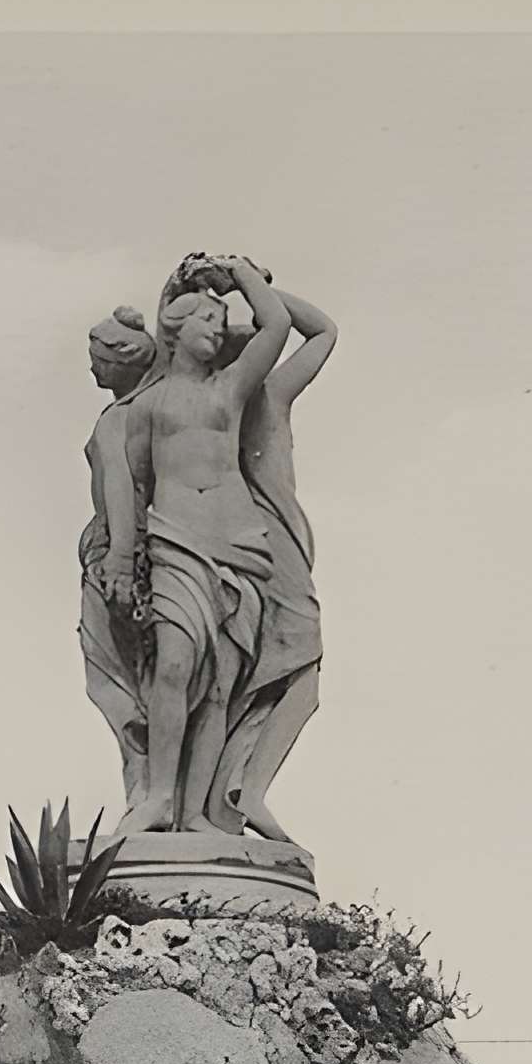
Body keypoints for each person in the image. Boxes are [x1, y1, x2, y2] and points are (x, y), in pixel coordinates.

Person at [103, 254, 293, 837]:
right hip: (176, 542)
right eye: (206, 319)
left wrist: (237, 274)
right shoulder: (146, 405)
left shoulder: (231, 389)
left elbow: (279, 326)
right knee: (176, 665)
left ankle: (195, 814)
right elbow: (126, 484)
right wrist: (118, 554)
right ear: (173, 327)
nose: (218, 327)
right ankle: (159, 796)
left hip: (239, 547)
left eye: (222, 321)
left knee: (217, 686)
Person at [206, 277, 337, 848]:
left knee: (260, 683)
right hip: (274, 550)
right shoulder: (266, 397)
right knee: (299, 681)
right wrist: (255, 282)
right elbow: (324, 330)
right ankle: (247, 790)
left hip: (258, 544)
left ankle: (235, 793)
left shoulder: (221, 403)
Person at [76, 306, 162, 810]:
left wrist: (119, 561)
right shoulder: (157, 406)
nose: (93, 370)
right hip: (145, 554)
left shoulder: (119, 418)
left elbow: (120, 486)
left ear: (127, 361)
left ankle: (146, 794)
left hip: (118, 559)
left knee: (121, 688)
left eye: (100, 360)